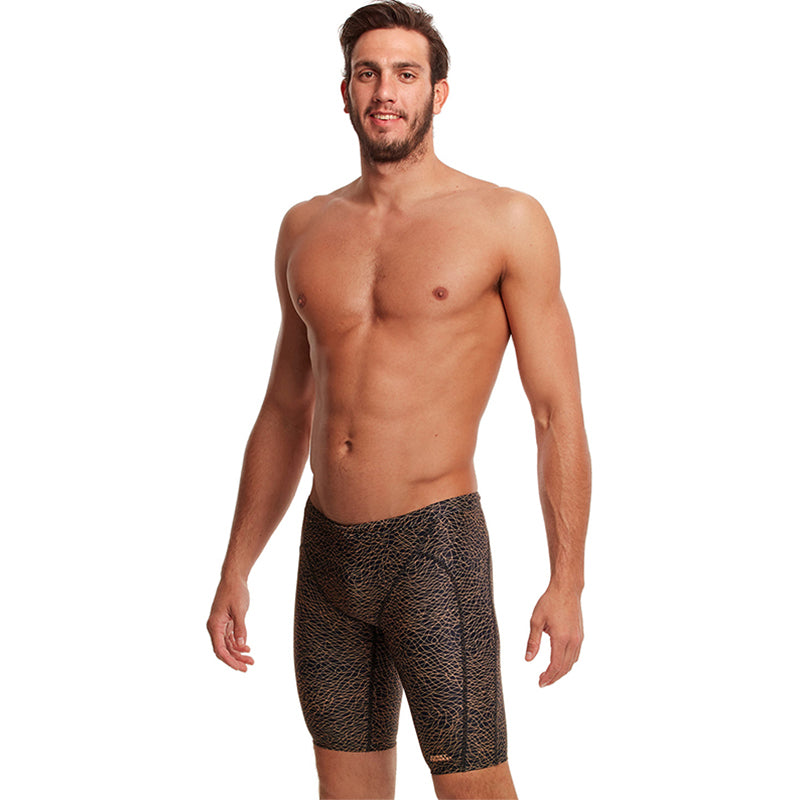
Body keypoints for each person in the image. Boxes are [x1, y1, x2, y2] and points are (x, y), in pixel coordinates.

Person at [207, 2, 591, 798]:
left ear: (438, 93)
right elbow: (284, 409)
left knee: (474, 788)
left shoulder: (506, 220)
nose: (385, 91)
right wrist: (236, 565)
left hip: (433, 551)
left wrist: (568, 581)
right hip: (327, 559)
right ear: (345, 91)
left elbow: (555, 414)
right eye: (368, 73)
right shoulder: (305, 227)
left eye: (406, 74)